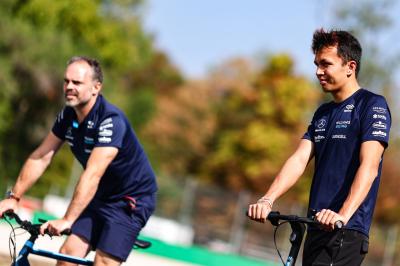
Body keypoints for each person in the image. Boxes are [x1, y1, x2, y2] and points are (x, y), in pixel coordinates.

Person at [247, 29, 391, 265]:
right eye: (316, 64)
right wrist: (267, 199)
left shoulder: (372, 105)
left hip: (345, 231)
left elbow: (370, 166)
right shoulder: (323, 113)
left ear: (350, 66)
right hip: (315, 227)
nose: (318, 71)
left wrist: (342, 216)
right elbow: (299, 159)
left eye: (325, 64)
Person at [0, 56, 157, 266]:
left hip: (129, 201)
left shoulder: (110, 120)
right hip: (101, 195)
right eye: (66, 81)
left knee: (103, 262)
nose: (69, 87)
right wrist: (14, 197)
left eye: (77, 82)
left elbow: (93, 173)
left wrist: (67, 219)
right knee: (67, 257)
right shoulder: (67, 116)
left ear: (96, 87)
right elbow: (41, 156)